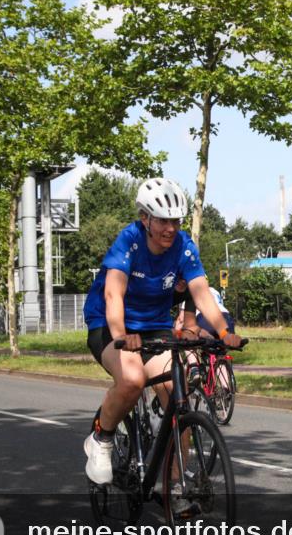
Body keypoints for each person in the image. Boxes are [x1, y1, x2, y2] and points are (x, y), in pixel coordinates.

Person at [82, 177, 243, 486]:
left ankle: (177, 487)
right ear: (145, 219)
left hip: (153, 325)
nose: (171, 228)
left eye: (176, 221)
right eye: (163, 221)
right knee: (132, 380)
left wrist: (224, 332)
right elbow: (113, 294)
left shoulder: (184, 246)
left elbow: (201, 292)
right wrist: (121, 335)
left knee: (178, 397)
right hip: (109, 323)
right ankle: (101, 438)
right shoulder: (129, 241)